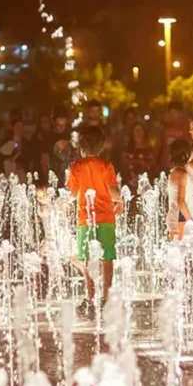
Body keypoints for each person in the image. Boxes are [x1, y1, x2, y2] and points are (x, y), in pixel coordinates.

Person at [67, 125, 123, 310]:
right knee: (107, 258)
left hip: (85, 219)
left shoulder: (76, 167)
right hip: (106, 218)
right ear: (101, 148)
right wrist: (120, 200)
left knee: (88, 258)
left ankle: (90, 297)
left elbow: (73, 193)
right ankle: (106, 297)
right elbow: (113, 192)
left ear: (82, 148)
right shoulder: (106, 166)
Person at [167, 140, 193, 241]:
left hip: (174, 217)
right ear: (186, 154)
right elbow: (181, 201)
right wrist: (191, 222)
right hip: (181, 218)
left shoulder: (173, 172)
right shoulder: (183, 174)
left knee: (176, 252)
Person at [121, 121, 155, 192]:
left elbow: (151, 164)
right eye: (136, 130)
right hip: (130, 182)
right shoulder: (127, 149)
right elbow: (123, 164)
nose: (138, 132)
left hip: (145, 182)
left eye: (140, 130)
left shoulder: (149, 149)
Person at [157, 101, 189, 171]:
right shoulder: (164, 128)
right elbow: (159, 145)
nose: (172, 115)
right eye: (170, 112)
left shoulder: (187, 126)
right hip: (165, 163)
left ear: (181, 113)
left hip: (180, 163)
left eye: (175, 112)